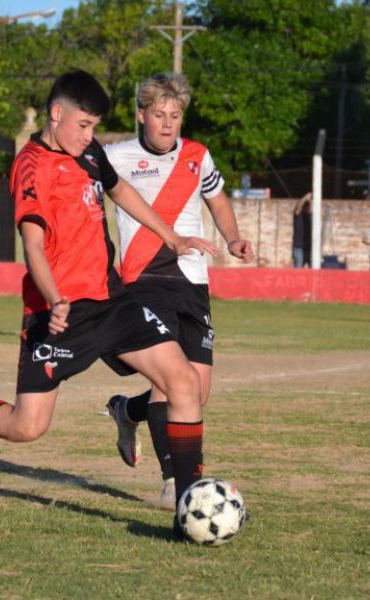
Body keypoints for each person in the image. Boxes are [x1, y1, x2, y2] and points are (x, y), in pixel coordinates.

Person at [0, 70, 218, 536]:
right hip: (60, 313)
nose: (90, 136)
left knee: (183, 383)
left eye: (94, 128)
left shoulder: (87, 152)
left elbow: (120, 189)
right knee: (27, 426)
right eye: (84, 125)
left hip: (112, 300)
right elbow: (33, 241)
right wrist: (53, 297)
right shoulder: (31, 165)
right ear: (56, 114)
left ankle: (189, 507)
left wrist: (171, 236)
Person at [103, 72, 255, 510]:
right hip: (144, 280)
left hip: (193, 281)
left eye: (175, 115)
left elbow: (218, 200)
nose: (167, 123)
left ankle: (126, 411)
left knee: (196, 391)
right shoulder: (115, 157)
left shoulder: (197, 156)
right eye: (158, 114)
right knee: (172, 383)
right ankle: (174, 482)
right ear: (140, 115)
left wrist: (232, 239)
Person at [292, 192, 312, 268]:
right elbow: (298, 207)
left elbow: (312, 209)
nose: (307, 207)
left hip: (309, 247)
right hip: (298, 248)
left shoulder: (310, 216)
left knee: (312, 271)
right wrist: (305, 198)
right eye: (306, 206)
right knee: (299, 271)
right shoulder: (298, 215)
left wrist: (310, 201)